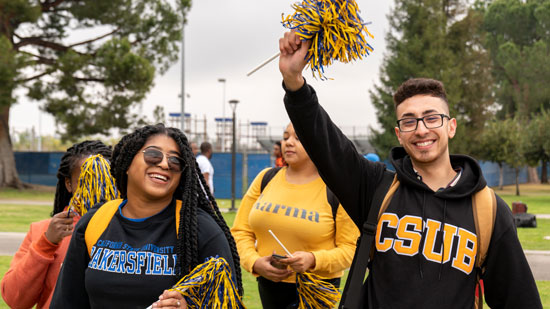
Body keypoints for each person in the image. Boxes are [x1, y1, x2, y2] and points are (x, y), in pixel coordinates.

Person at [277, 31, 542, 308]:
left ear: (450, 127)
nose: (421, 129)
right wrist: (294, 82)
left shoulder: (488, 210)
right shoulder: (377, 188)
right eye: (409, 121)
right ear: (399, 134)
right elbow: (326, 144)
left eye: (431, 118)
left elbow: (519, 298)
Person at [50, 124, 243, 308]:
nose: (165, 164)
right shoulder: (95, 222)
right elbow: (67, 302)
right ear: (127, 163)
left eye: (176, 160)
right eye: (153, 155)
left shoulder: (201, 229)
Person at [231, 123, 359, 309]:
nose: (289, 143)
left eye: (298, 138)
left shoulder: (338, 190)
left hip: (316, 290)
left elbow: (350, 250)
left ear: (320, 142)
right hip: (269, 287)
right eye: (285, 137)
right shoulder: (265, 178)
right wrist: (255, 262)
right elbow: (240, 231)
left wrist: (313, 260)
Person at [1, 141, 113, 309]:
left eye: (105, 180)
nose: (96, 188)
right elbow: (15, 299)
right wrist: (46, 243)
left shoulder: (128, 227)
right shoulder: (42, 231)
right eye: (86, 181)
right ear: (69, 184)